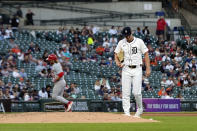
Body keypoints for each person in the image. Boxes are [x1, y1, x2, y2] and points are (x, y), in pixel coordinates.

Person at [114, 27, 151, 118]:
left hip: (137, 68)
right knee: (126, 92)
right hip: (126, 69)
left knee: (136, 92)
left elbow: (146, 54)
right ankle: (126, 112)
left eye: (128, 35)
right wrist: (117, 62)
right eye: (125, 35)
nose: (126, 37)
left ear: (131, 33)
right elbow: (116, 54)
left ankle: (140, 109)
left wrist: (148, 68)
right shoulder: (121, 43)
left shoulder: (139, 41)